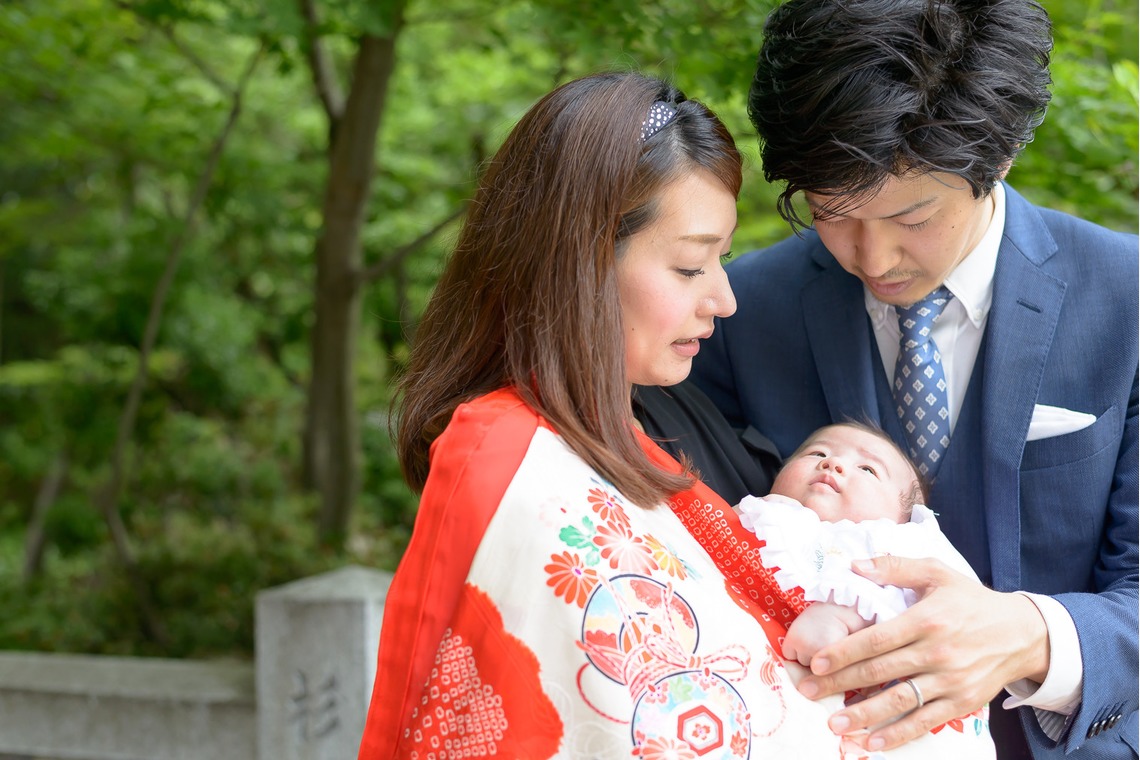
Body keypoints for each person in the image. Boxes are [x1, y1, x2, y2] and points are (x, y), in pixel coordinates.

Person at [357, 71, 994, 758]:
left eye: (722, 260)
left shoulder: (619, 440)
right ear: (581, 264)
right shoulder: (516, 462)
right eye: (691, 267)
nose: (724, 298)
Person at [688, 1, 1139, 758]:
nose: (872, 258)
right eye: (831, 214)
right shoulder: (736, 313)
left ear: (997, 159)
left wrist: (1031, 636)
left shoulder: (1127, 297)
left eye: (915, 215)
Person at [734, 422, 977, 668]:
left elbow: (954, 604)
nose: (832, 463)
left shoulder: (900, 541)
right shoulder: (763, 513)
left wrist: (846, 614)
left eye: (868, 469)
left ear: (905, 518)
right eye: (818, 453)